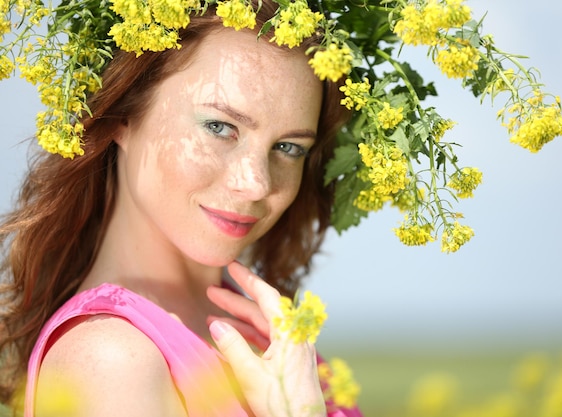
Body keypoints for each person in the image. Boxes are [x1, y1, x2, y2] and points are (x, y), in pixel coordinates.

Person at [0, 2, 357, 416]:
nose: (257, 183)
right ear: (123, 114)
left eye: (288, 147)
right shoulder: (109, 362)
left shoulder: (263, 332)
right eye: (220, 127)